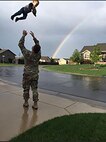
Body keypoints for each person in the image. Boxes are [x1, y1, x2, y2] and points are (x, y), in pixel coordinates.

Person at [18, 30, 41, 109]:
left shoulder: (27, 53)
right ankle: (35, 104)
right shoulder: (38, 55)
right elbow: (38, 45)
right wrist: (34, 37)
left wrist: (24, 35)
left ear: (33, 48)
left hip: (27, 75)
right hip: (35, 75)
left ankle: (26, 102)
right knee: (34, 89)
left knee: (26, 89)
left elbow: (20, 45)